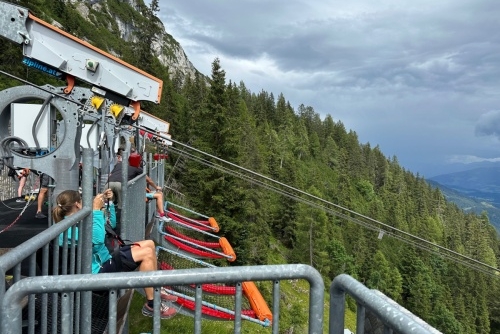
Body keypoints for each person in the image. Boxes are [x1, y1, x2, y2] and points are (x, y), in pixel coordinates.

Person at [52, 189, 177, 318]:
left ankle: (157, 289)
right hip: (97, 272)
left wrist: (109, 203)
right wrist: (95, 211)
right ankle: (152, 304)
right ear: (77, 204)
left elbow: (110, 224)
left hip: (105, 260)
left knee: (149, 244)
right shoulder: (67, 228)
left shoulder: (77, 220)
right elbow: (98, 240)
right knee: (146, 254)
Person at [107, 150, 168, 220]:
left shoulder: (119, 165)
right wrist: (156, 187)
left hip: (109, 183)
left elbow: (110, 175)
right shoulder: (137, 169)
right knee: (121, 206)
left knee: (107, 202)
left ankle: (106, 219)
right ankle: (119, 223)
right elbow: (148, 180)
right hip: (124, 188)